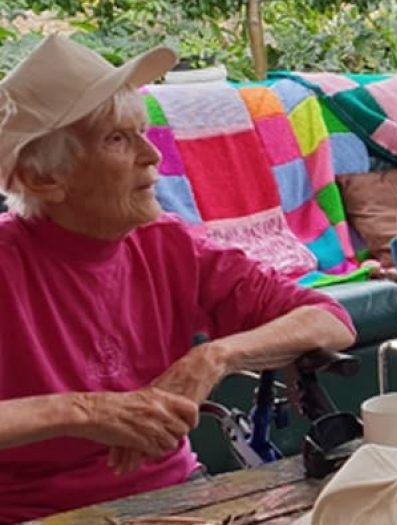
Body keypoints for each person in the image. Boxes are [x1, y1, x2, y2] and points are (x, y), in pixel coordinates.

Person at [0, 35, 357, 522]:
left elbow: (330, 320)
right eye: (117, 139)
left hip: (177, 497)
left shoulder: (167, 244)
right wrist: (84, 411)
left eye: (143, 132)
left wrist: (213, 357)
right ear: (44, 179)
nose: (152, 155)